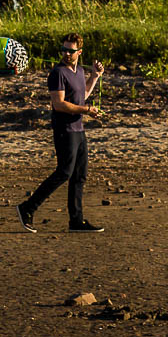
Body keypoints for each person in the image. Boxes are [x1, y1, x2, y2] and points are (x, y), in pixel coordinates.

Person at [17, 33, 105, 233]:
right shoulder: (58, 73)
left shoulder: (79, 71)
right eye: (64, 50)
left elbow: (81, 96)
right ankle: (27, 208)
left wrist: (95, 77)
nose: (66, 53)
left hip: (79, 130)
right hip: (65, 130)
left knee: (79, 176)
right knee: (64, 172)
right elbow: (59, 104)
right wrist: (87, 110)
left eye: (71, 51)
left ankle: (77, 221)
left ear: (79, 52)